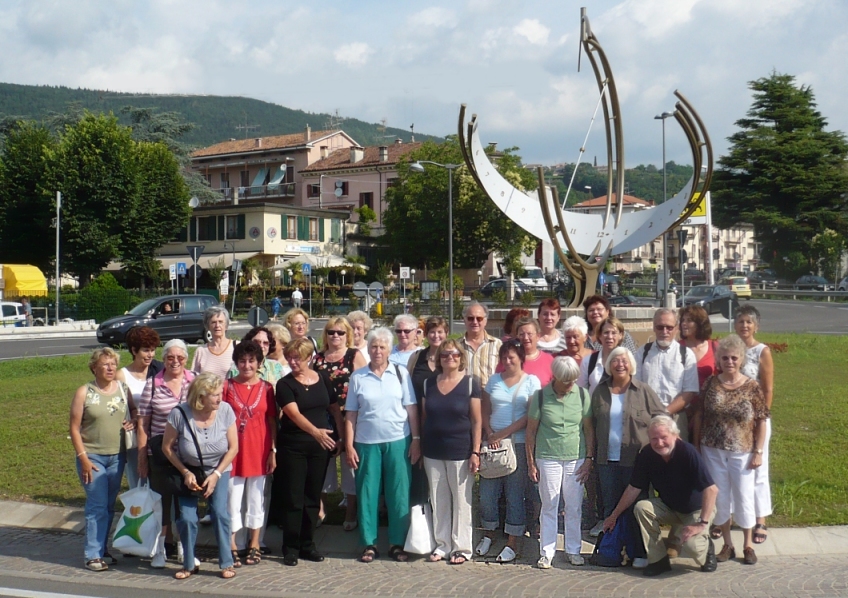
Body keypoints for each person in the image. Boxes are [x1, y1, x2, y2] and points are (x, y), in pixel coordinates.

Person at [602, 415, 718, 577]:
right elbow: (633, 488)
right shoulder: (647, 454)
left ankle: (707, 550)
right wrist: (614, 516)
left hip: (697, 510)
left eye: (664, 437)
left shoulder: (688, 452)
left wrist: (702, 523)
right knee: (642, 507)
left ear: (675, 435)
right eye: (654, 438)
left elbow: (711, 490)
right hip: (670, 507)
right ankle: (658, 561)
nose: (659, 443)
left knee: (692, 547)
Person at [345, 327, 420, 563]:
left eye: (382, 347)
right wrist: (349, 445)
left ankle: (398, 543)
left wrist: (416, 440)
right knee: (367, 493)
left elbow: (412, 409)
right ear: (368, 349)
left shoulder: (400, 373)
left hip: (398, 439)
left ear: (389, 349)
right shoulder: (358, 377)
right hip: (366, 442)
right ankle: (369, 543)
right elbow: (351, 414)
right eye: (374, 346)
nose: (378, 351)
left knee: (398, 493)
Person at [697, 334, 768, 566]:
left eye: (734, 358)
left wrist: (758, 451)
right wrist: (697, 445)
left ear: (741, 359)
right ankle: (727, 544)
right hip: (712, 449)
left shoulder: (751, 386)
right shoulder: (710, 384)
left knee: (744, 495)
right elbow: (701, 415)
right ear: (719, 360)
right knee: (720, 496)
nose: (729, 362)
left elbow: (761, 420)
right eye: (725, 357)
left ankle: (748, 544)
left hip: (742, 450)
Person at [592, 346, 666, 566]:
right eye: (615, 360)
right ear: (609, 365)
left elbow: (661, 420)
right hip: (606, 460)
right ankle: (611, 552)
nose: (620, 364)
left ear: (631, 364)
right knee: (611, 507)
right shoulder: (600, 391)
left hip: (636, 461)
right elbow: (591, 424)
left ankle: (640, 553)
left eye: (624, 360)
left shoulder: (643, 391)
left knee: (637, 508)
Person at [162, 372, 239, 580]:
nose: (219, 398)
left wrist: (216, 474)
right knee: (187, 518)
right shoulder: (179, 414)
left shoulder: (225, 411)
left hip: (218, 469)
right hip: (190, 472)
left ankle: (226, 562)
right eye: (214, 395)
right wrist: (184, 471)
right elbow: (167, 447)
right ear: (200, 396)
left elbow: (233, 448)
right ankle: (189, 564)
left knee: (220, 513)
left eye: (220, 393)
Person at [276, 338, 344, 566]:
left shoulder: (323, 378)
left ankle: (308, 544)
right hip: (293, 446)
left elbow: (334, 408)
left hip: (320, 448)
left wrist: (340, 436)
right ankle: (290, 546)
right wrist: (316, 432)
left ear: (309, 358)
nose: (293, 362)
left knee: (313, 497)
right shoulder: (285, 384)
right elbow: (293, 413)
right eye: (290, 357)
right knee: (294, 497)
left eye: (297, 358)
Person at [526, 356, 594, 568]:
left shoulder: (582, 395)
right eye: (566, 380)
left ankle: (573, 550)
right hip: (547, 456)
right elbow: (531, 431)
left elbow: (589, 429)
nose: (570, 384)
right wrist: (530, 462)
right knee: (549, 505)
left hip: (576, 456)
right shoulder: (540, 397)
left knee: (574, 507)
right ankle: (547, 551)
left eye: (573, 379)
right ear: (555, 377)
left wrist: (589, 458)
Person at [477, 341, 541, 562]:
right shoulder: (494, 380)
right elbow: (484, 409)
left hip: (517, 443)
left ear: (521, 357)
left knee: (515, 495)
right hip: (492, 444)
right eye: (504, 357)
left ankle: (513, 541)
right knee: (488, 494)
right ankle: (488, 534)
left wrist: (502, 434)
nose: (507, 361)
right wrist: (489, 432)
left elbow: (529, 416)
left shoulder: (531, 382)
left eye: (512, 357)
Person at [420, 338, 482, 564]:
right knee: (439, 500)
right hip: (433, 450)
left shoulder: (469, 384)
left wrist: (475, 451)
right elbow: (425, 417)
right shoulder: (428, 384)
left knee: (461, 502)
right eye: (445, 355)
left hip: (461, 450)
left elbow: (477, 420)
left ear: (461, 357)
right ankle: (442, 545)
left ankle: (462, 548)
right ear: (439, 358)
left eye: (454, 354)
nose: (450, 358)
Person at [69, 347, 131, 571]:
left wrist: (130, 423)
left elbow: (133, 415)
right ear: (94, 367)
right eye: (105, 364)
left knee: (108, 505)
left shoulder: (123, 389)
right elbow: (74, 428)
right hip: (92, 456)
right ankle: (92, 554)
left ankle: (103, 549)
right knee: (96, 506)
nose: (110, 368)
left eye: (113, 364)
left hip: (117, 456)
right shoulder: (84, 392)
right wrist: (83, 458)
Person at [137, 339, 197, 568]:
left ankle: (185, 549)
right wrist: (143, 458)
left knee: (185, 502)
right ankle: (160, 549)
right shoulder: (153, 384)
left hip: (187, 455)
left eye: (180, 357)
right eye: (170, 357)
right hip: (159, 455)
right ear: (164, 359)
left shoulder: (195, 381)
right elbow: (143, 423)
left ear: (186, 359)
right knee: (161, 504)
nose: (175, 362)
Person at [224, 340, 276, 567]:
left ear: (259, 363)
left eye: (251, 361)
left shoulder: (267, 388)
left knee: (256, 499)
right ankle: (232, 544)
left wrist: (273, 450)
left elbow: (272, 420)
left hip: (259, 449)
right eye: (242, 361)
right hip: (232, 451)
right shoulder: (226, 386)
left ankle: (255, 543)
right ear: (236, 363)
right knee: (231, 500)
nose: (247, 366)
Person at [314, 316, 367, 530]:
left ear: (348, 335)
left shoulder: (354, 356)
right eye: (331, 332)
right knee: (322, 464)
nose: (335, 336)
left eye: (340, 332)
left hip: (349, 417)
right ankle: (321, 508)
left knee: (349, 465)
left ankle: (351, 510)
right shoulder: (317, 359)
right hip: (323, 418)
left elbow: (363, 386)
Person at [734, 304, 774, 545]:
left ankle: (761, 519)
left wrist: (762, 416)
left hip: (756, 418)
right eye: (741, 321)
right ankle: (733, 517)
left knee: (759, 467)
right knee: (736, 469)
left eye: (749, 322)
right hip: (733, 420)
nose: (744, 326)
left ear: (756, 326)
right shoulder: (730, 348)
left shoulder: (762, 351)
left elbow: (768, 388)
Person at [634, 308, 698, 441]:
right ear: (653, 327)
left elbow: (689, 392)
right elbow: (635, 387)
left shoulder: (686, 354)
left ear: (676, 328)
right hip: (646, 418)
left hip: (675, 418)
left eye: (669, 327)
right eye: (660, 327)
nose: (664, 331)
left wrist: (664, 412)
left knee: (676, 459)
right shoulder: (642, 352)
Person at [116, 326, 163, 489]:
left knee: (158, 482)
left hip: (159, 433)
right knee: (138, 481)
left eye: (153, 350)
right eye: (146, 350)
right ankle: (139, 513)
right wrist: (132, 419)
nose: (150, 355)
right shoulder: (122, 375)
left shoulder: (160, 370)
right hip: (136, 437)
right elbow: (119, 407)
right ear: (134, 350)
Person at [679, 305, 718, 443]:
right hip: (683, 410)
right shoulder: (676, 347)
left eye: (689, 320)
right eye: (683, 320)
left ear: (700, 323)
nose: (684, 323)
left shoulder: (715, 347)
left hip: (708, 411)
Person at [459, 301, 502, 390]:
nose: (475, 322)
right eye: (470, 318)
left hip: (490, 397)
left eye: (479, 318)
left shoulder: (497, 344)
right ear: (464, 320)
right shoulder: (456, 346)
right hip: (464, 397)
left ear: (485, 321)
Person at [577, 316, 626, 395]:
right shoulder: (588, 361)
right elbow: (581, 393)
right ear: (599, 335)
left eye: (614, 333)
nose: (610, 337)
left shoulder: (628, 361)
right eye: (606, 332)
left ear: (620, 335)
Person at [502, 317, 554, 387]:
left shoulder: (549, 360)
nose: (525, 338)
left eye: (529, 334)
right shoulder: (508, 359)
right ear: (517, 337)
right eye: (521, 334)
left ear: (538, 336)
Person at [192, 306, 234, 382]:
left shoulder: (236, 347)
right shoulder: (201, 351)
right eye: (213, 322)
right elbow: (194, 380)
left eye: (221, 322)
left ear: (226, 325)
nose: (217, 325)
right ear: (207, 326)